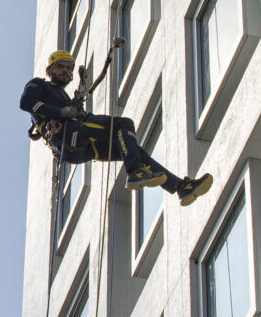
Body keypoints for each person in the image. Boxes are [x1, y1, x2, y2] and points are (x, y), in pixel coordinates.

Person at [21, 50, 212, 204]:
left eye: (69, 68)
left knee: (130, 149)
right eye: (60, 67)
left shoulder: (64, 98)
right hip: (68, 134)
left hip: (77, 149)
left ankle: (179, 188)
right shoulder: (39, 85)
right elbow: (26, 103)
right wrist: (62, 113)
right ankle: (135, 171)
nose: (65, 71)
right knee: (123, 125)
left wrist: (71, 110)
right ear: (49, 71)